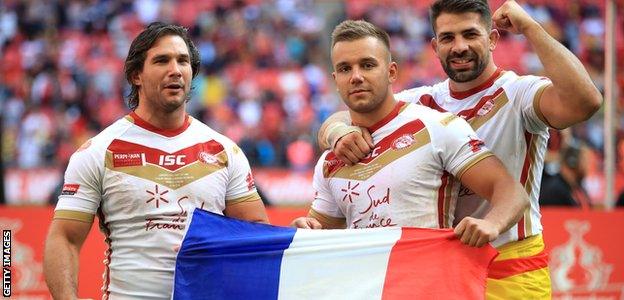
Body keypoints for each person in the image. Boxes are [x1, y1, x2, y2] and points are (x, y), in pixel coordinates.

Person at [317, 1, 602, 298]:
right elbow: (356, 110)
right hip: (447, 266)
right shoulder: (421, 101)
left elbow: (587, 102)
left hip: (511, 264)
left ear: (492, 39)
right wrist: (337, 131)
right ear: (435, 46)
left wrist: (531, 28)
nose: (459, 46)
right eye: (448, 38)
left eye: (470, 34)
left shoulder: (519, 93)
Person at [43, 22, 269, 299]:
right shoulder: (99, 151)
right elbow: (64, 238)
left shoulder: (225, 150)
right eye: (162, 60)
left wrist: (294, 237)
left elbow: (256, 235)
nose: (175, 70)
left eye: (183, 61)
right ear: (136, 74)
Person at [292, 19, 529, 251]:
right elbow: (321, 231)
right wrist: (307, 229)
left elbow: (512, 193)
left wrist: (491, 223)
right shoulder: (331, 160)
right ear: (336, 80)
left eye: (367, 65)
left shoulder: (438, 127)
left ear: (392, 72)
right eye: (345, 69)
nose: (356, 76)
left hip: (428, 286)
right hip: (370, 289)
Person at [539, 141, 592, 208]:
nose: (588, 166)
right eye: (585, 161)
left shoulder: (578, 187)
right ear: (572, 162)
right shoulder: (555, 191)